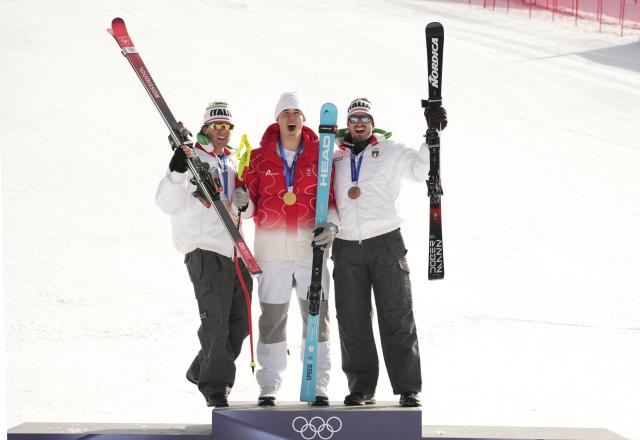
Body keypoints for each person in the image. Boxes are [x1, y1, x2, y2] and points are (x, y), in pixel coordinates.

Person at [330, 97, 447, 407]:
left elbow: (420, 170)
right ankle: (361, 388)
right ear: (347, 124)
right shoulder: (335, 157)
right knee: (352, 319)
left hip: (385, 241)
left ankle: (409, 387)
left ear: (373, 123)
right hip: (345, 246)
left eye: (365, 118)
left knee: (397, 315)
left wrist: (431, 136)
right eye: (354, 118)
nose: (359, 123)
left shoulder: (391, 151)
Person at [242, 92, 339, 407]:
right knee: (272, 319)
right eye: (286, 113)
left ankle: (319, 383)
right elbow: (247, 205)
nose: (292, 118)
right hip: (271, 252)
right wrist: (242, 204)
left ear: (304, 120)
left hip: (310, 251)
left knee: (317, 318)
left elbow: (334, 201)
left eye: (297, 112)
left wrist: (332, 226)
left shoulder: (323, 155)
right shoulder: (258, 157)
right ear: (277, 120)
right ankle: (268, 384)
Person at [155, 101, 254, 408]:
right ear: (206, 128)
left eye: (227, 127)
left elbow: (245, 212)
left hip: (234, 252)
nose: (222, 132)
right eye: (217, 126)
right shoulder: (191, 157)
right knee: (217, 320)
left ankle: (202, 368)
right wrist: (176, 171)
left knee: (242, 320)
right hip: (204, 249)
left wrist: (244, 202)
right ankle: (216, 385)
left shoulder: (231, 162)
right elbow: (166, 203)